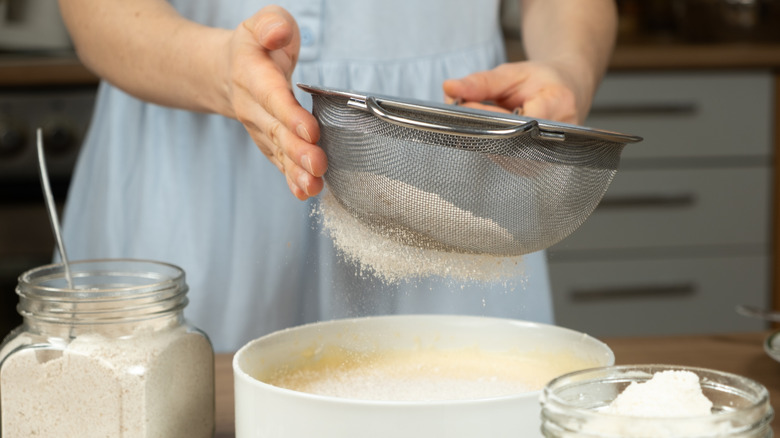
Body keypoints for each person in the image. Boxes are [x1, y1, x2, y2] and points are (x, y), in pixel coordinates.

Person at [57, 0, 618, 353]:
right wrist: (220, 73)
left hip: (446, 153)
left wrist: (568, 67)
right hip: (193, 145)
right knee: (178, 394)